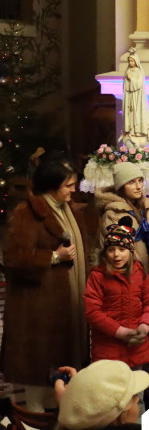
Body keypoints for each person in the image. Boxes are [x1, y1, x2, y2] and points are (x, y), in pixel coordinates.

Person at [2, 155, 91, 411]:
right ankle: (33, 422)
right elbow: (13, 258)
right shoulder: (28, 212)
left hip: (69, 305)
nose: (74, 190)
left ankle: (55, 411)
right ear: (52, 185)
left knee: (62, 360)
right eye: (69, 185)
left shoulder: (70, 210)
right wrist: (53, 257)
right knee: (37, 364)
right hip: (37, 307)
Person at [84, 218, 149, 371]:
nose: (116, 255)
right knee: (112, 393)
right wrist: (120, 332)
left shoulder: (139, 273)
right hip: (108, 350)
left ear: (130, 251)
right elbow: (92, 312)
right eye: (111, 250)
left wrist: (144, 327)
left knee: (136, 391)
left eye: (121, 249)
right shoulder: (97, 276)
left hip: (136, 347)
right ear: (105, 253)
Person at [94, 160, 149, 273]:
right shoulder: (113, 214)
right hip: (131, 276)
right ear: (121, 187)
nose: (138, 186)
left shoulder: (147, 209)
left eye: (140, 181)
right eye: (131, 182)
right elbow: (113, 254)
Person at [121, 50, 149, 147]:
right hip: (130, 97)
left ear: (136, 61)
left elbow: (138, 84)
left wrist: (131, 78)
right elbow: (126, 86)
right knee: (130, 114)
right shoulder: (128, 71)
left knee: (137, 113)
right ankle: (131, 131)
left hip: (137, 98)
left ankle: (138, 131)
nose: (130, 63)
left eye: (132, 61)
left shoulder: (139, 71)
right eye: (129, 61)